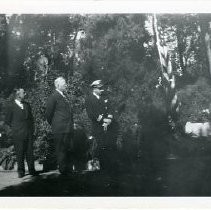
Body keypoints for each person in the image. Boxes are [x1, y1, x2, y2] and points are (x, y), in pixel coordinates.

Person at [85, 80, 119, 175]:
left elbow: (111, 109)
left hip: (108, 126)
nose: (102, 90)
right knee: (99, 147)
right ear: (94, 88)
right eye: (100, 88)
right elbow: (91, 114)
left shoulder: (104, 97)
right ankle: (99, 168)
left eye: (102, 88)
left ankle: (108, 167)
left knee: (109, 146)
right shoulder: (89, 99)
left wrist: (109, 119)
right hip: (98, 127)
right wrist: (103, 120)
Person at [5, 88, 36, 178]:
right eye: (24, 92)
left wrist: (32, 130)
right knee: (20, 152)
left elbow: (31, 119)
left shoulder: (27, 105)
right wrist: (12, 132)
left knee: (30, 152)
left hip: (28, 133)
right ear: (18, 94)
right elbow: (7, 121)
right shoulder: (11, 106)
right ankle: (21, 171)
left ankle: (32, 170)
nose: (25, 94)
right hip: (18, 134)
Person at [45, 77, 74, 175]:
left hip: (68, 128)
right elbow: (48, 114)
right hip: (59, 128)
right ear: (58, 85)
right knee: (61, 150)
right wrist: (55, 124)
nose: (66, 85)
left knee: (68, 148)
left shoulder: (64, 96)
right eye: (64, 83)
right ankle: (63, 170)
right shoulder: (53, 97)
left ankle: (68, 169)